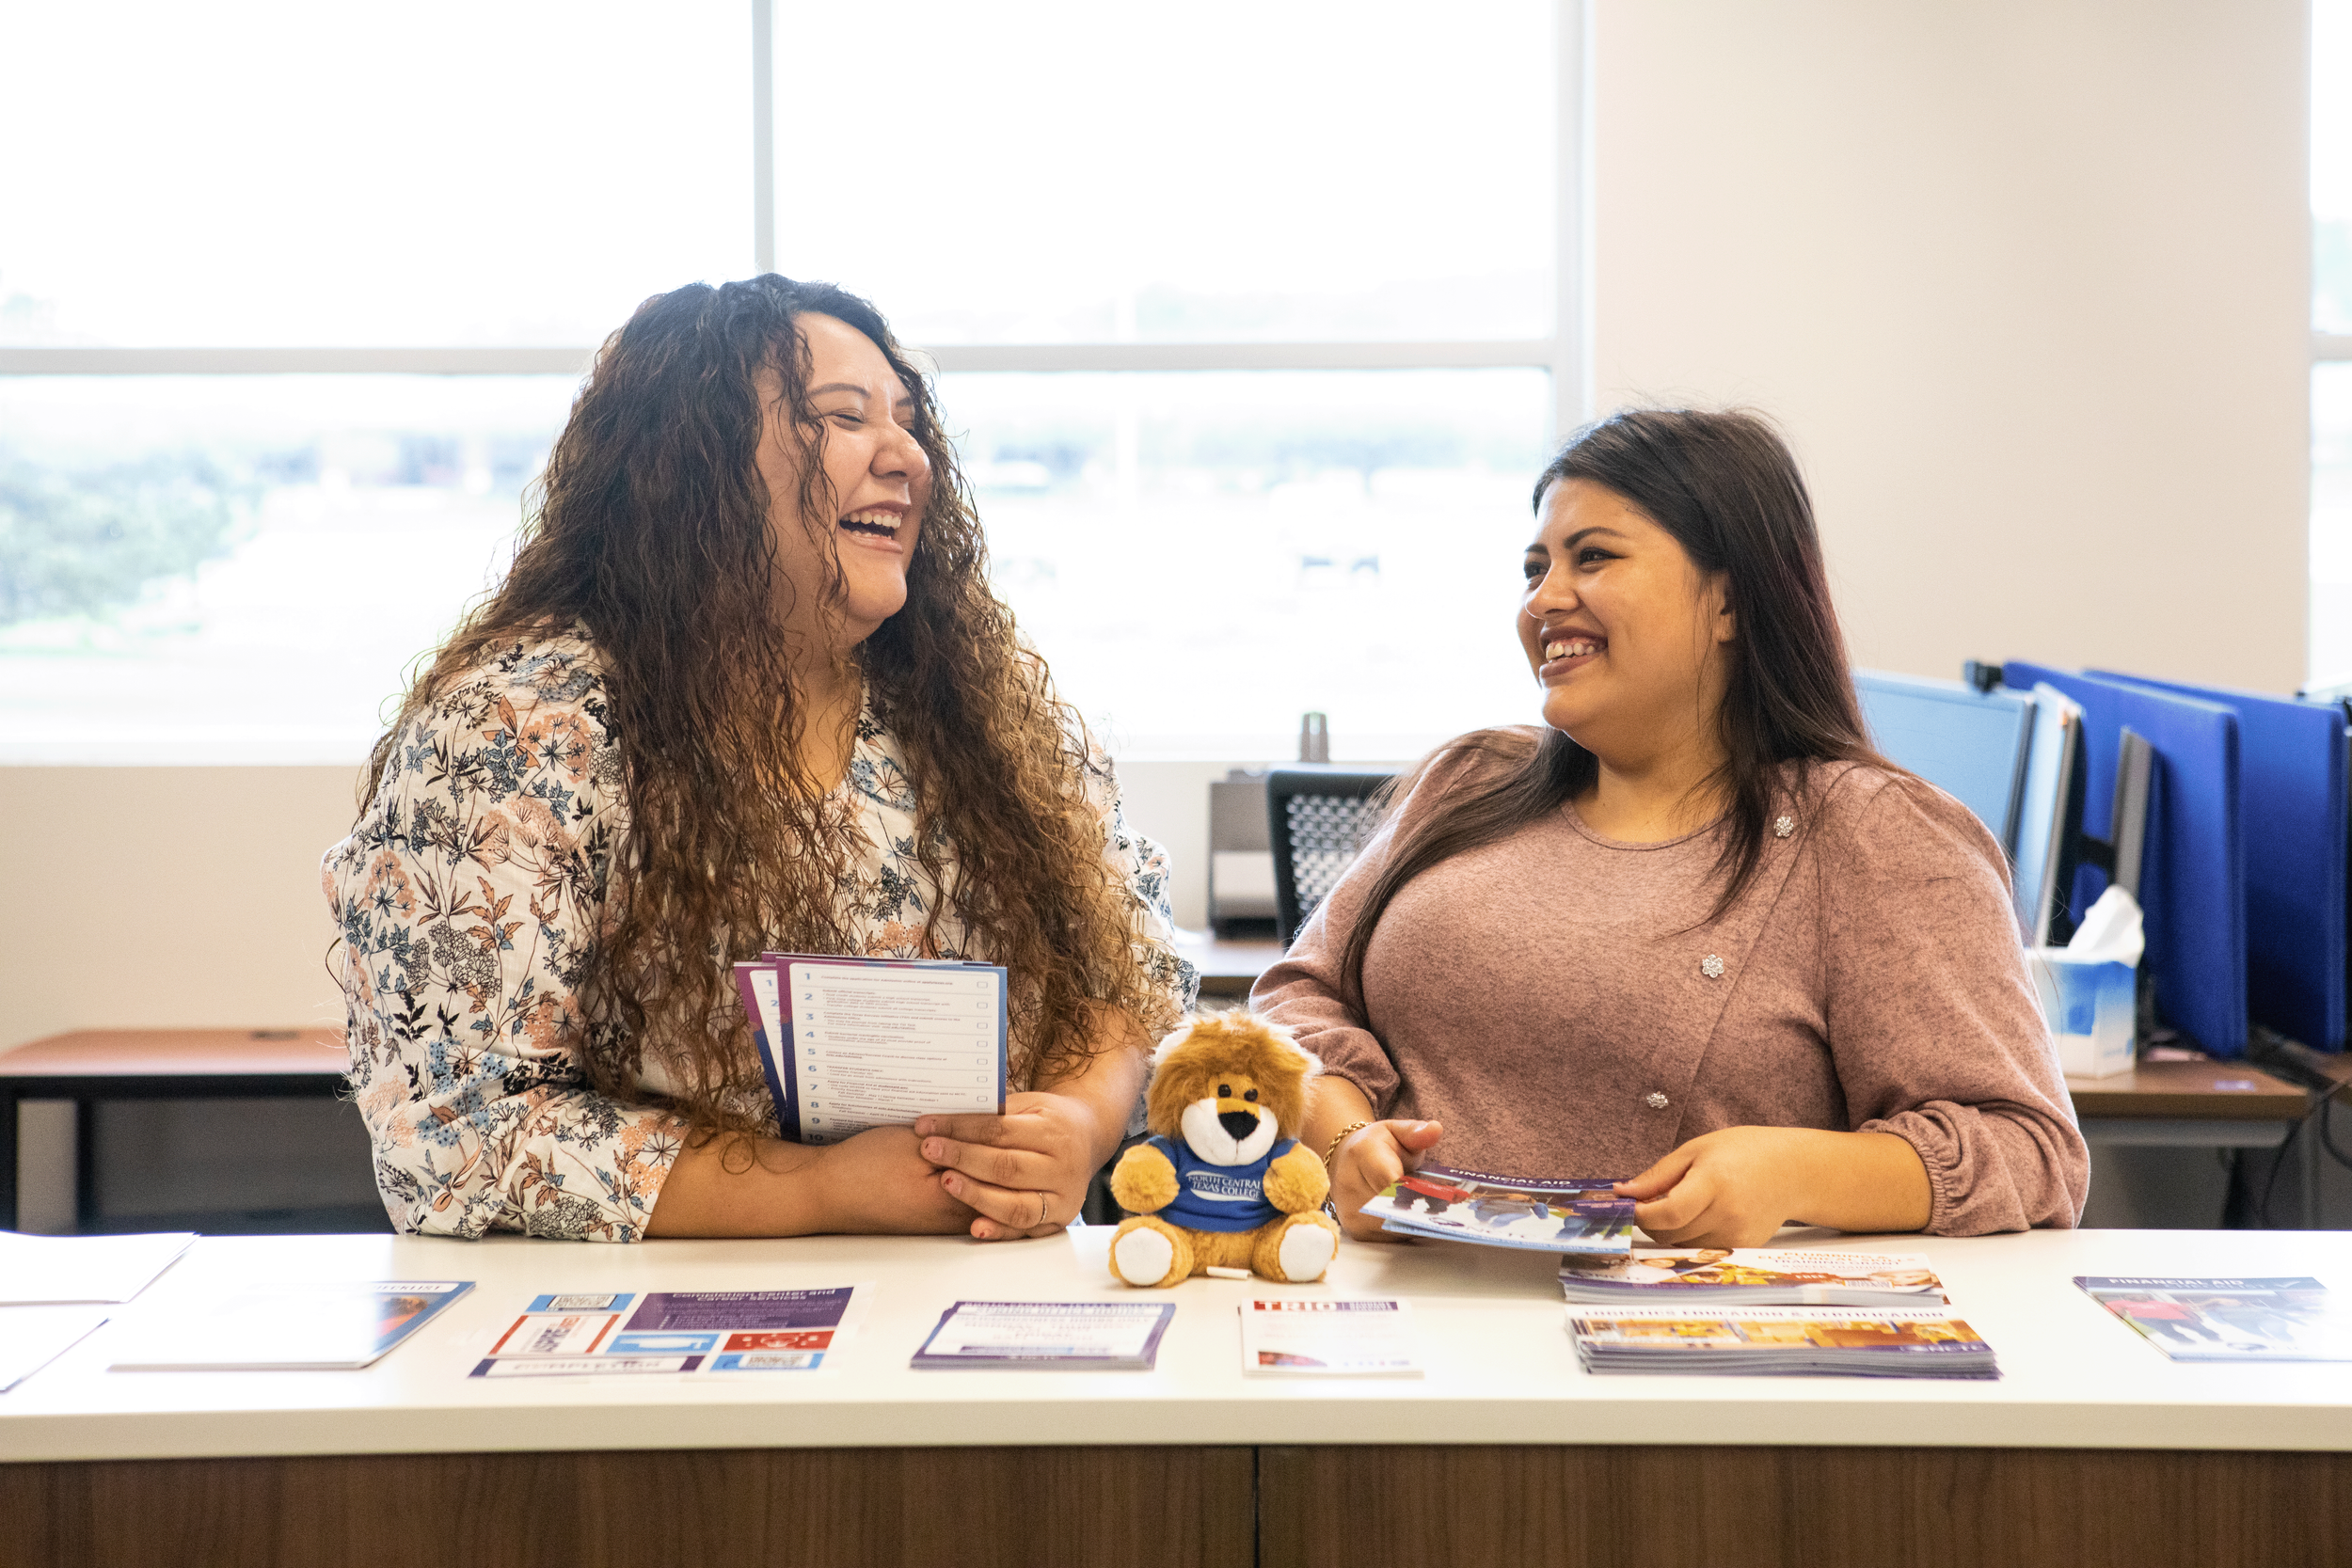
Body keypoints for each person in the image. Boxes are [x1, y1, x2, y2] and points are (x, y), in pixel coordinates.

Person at [323, 275, 1194, 1242]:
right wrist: (820, 1188)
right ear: (696, 469)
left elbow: (1125, 976)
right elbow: (456, 1132)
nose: (907, 455)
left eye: (908, 422)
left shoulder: (979, 706)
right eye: (844, 416)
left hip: (986, 1287)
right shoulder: (517, 726)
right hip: (665, 1311)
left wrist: (1075, 1121)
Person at [1258, 408, 2088, 1247]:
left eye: (1593, 557)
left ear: (1730, 601)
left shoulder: (1871, 835)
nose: (1543, 599)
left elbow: (2032, 1151)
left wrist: (1795, 1171)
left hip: (1670, 1320)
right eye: (1535, 568)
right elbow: (1298, 997)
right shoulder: (1469, 780)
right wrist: (1343, 1136)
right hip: (1406, 1304)